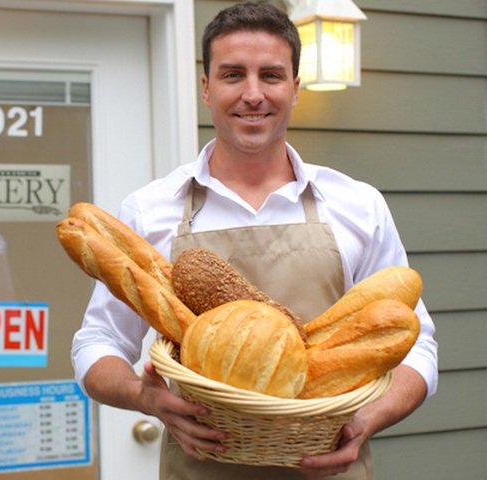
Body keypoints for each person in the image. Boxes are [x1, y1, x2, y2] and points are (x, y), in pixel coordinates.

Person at [70, 1, 439, 479]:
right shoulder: (152, 207)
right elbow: (97, 341)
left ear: (295, 88)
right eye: (231, 75)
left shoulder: (357, 204)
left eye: (270, 75)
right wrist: (145, 397)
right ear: (205, 88)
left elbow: (416, 344)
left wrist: (365, 422)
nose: (252, 94)